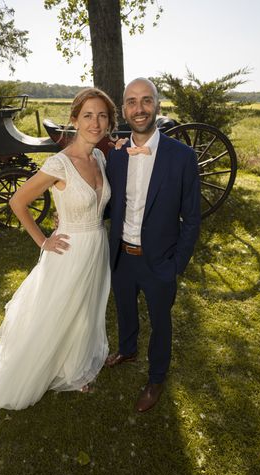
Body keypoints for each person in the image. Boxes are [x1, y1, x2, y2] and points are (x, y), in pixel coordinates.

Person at [0, 88, 117, 415]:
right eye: (88, 115)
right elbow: (17, 202)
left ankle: (74, 368)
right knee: (58, 311)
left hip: (96, 246)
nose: (95, 122)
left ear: (109, 122)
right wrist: (43, 240)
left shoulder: (100, 158)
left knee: (84, 309)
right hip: (69, 251)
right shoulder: (59, 163)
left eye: (102, 115)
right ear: (74, 120)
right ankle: (42, 368)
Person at [105, 78, 201, 412]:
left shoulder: (182, 157)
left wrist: (177, 265)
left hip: (160, 261)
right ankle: (127, 349)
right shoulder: (116, 155)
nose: (139, 108)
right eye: (132, 102)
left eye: (146, 100)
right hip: (121, 255)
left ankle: (156, 378)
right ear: (123, 109)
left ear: (157, 106)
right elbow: (108, 202)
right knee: (125, 308)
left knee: (161, 322)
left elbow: (192, 217)